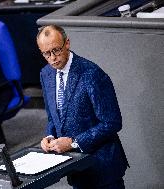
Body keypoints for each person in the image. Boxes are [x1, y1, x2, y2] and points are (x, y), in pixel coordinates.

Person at [37, 25, 129, 189]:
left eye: (56, 50)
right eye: (46, 53)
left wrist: (73, 143)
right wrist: (50, 136)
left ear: (67, 43)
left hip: (103, 168)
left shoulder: (92, 74)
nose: (53, 58)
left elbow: (112, 122)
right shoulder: (46, 74)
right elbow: (53, 117)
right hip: (76, 168)